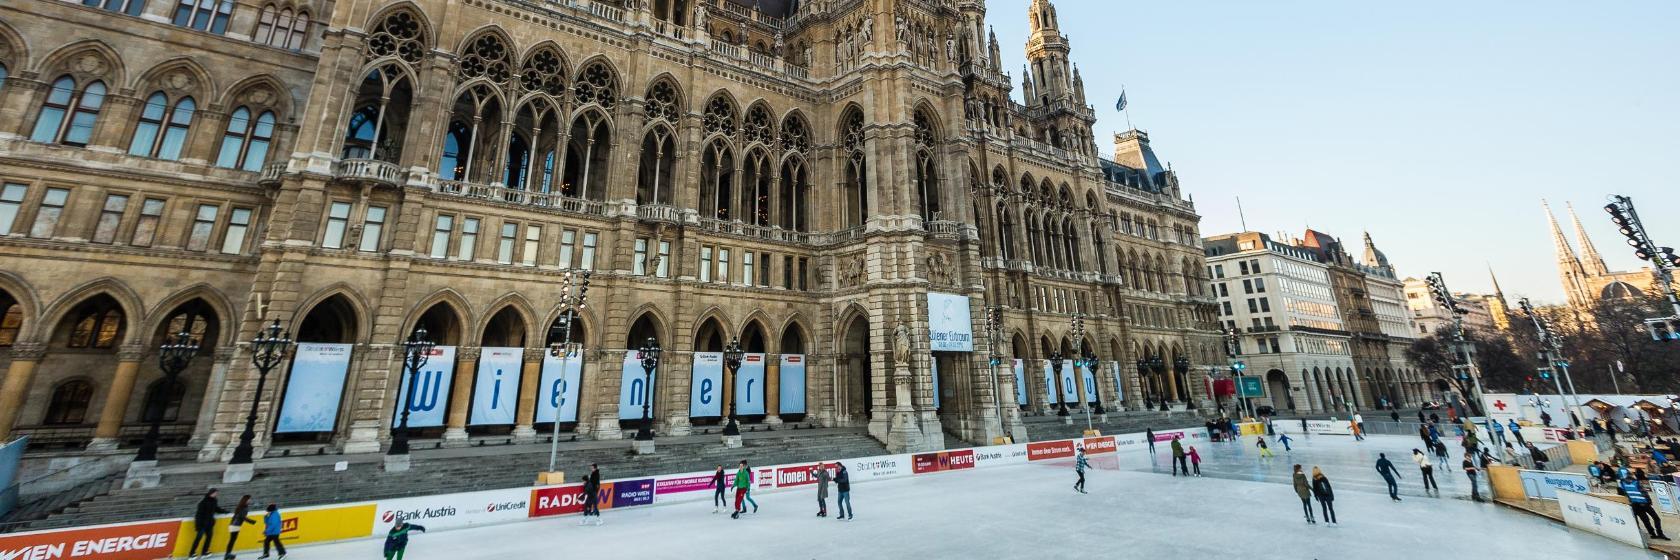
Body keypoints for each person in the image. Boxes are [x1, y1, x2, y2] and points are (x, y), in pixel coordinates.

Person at [191, 489, 227, 558]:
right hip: (201, 524)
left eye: (217, 493)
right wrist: (198, 525)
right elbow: (198, 514)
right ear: (211, 493)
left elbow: (216, 508)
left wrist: (224, 511)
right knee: (198, 538)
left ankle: (204, 552)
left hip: (209, 523)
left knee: (209, 537)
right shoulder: (203, 502)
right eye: (215, 493)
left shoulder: (214, 500)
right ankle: (191, 553)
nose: (216, 494)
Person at [223, 494, 256, 559]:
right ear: (246, 500)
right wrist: (252, 521)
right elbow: (242, 517)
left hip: (233, 524)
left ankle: (228, 554)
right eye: (249, 499)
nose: (250, 500)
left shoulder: (241, 506)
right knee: (232, 540)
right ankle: (227, 554)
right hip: (235, 525)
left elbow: (239, 516)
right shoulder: (243, 507)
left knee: (232, 540)